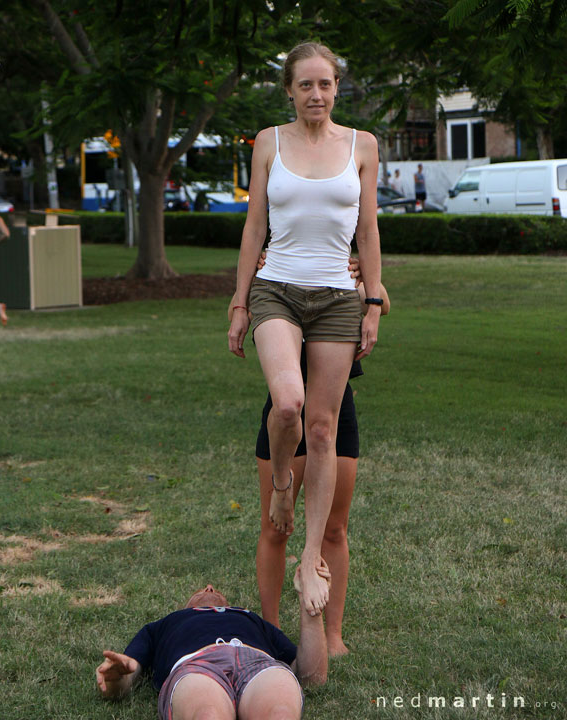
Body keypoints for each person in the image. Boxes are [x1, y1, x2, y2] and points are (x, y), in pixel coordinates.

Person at [228, 42, 382, 619]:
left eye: (325, 84)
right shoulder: (268, 142)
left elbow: (367, 228)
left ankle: (310, 555)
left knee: (324, 428)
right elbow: (253, 228)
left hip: (339, 299)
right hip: (277, 288)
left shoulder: (362, 145)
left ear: (337, 87)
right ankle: (283, 490)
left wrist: (372, 300)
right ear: (289, 91)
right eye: (305, 85)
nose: (316, 95)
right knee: (288, 404)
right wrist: (240, 302)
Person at [96, 565, 330, 720]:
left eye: (213, 589)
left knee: (280, 714)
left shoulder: (249, 617)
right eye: (202, 589)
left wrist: (312, 609)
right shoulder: (165, 624)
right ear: (186, 608)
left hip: (259, 664)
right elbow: (127, 676)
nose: (209, 587)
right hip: (197, 665)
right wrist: (116, 679)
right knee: (207, 714)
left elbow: (312, 676)